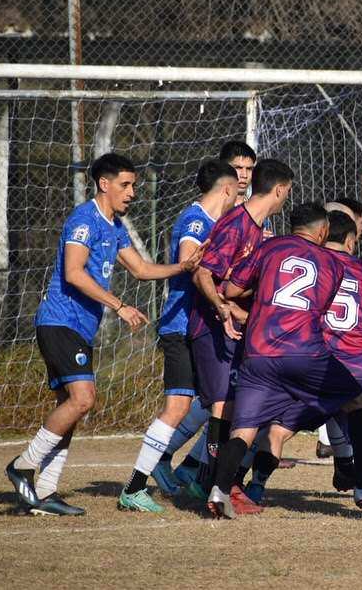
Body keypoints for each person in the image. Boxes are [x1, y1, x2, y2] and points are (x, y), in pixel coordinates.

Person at [5, 153, 206, 516]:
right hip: (59, 321)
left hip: (79, 327)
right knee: (84, 399)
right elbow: (73, 272)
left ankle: (46, 492)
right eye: (125, 185)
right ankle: (22, 465)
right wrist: (119, 305)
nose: (131, 193)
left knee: (68, 407)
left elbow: (142, 269)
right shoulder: (85, 219)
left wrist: (182, 266)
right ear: (104, 184)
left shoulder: (114, 227)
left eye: (134, 186)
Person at [207, 203, 362, 518]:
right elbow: (319, 308)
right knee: (357, 401)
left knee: (244, 431)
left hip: (257, 352)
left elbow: (232, 288)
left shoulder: (270, 247)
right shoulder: (333, 263)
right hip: (303, 352)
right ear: (322, 231)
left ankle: (219, 489)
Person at [117, 159, 238, 511]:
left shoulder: (212, 221)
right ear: (227, 189)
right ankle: (135, 486)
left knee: (218, 402)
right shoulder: (197, 219)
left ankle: (198, 476)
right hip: (182, 326)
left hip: (198, 326)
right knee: (177, 407)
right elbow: (189, 258)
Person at [186, 158, 292, 508]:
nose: (286, 199)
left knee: (237, 409)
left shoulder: (259, 230)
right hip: (211, 327)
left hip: (234, 328)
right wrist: (221, 307)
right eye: (287, 192)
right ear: (279, 190)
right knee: (222, 406)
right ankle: (208, 485)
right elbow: (203, 273)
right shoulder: (236, 224)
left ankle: (217, 483)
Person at [170, 141, 262, 489]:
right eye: (237, 168)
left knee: (221, 400)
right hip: (197, 319)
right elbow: (199, 269)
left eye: (249, 169)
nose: (243, 175)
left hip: (227, 318)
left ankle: (194, 469)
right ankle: (169, 464)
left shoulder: (252, 218)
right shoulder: (208, 217)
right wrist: (226, 305)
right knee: (208, 400)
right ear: (223, 174)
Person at [322, 210, 362, 507]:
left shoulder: (313, 263)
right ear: (350, 241)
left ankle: (247, 483)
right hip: (358, 361)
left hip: (315, 359)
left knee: (279, 425)